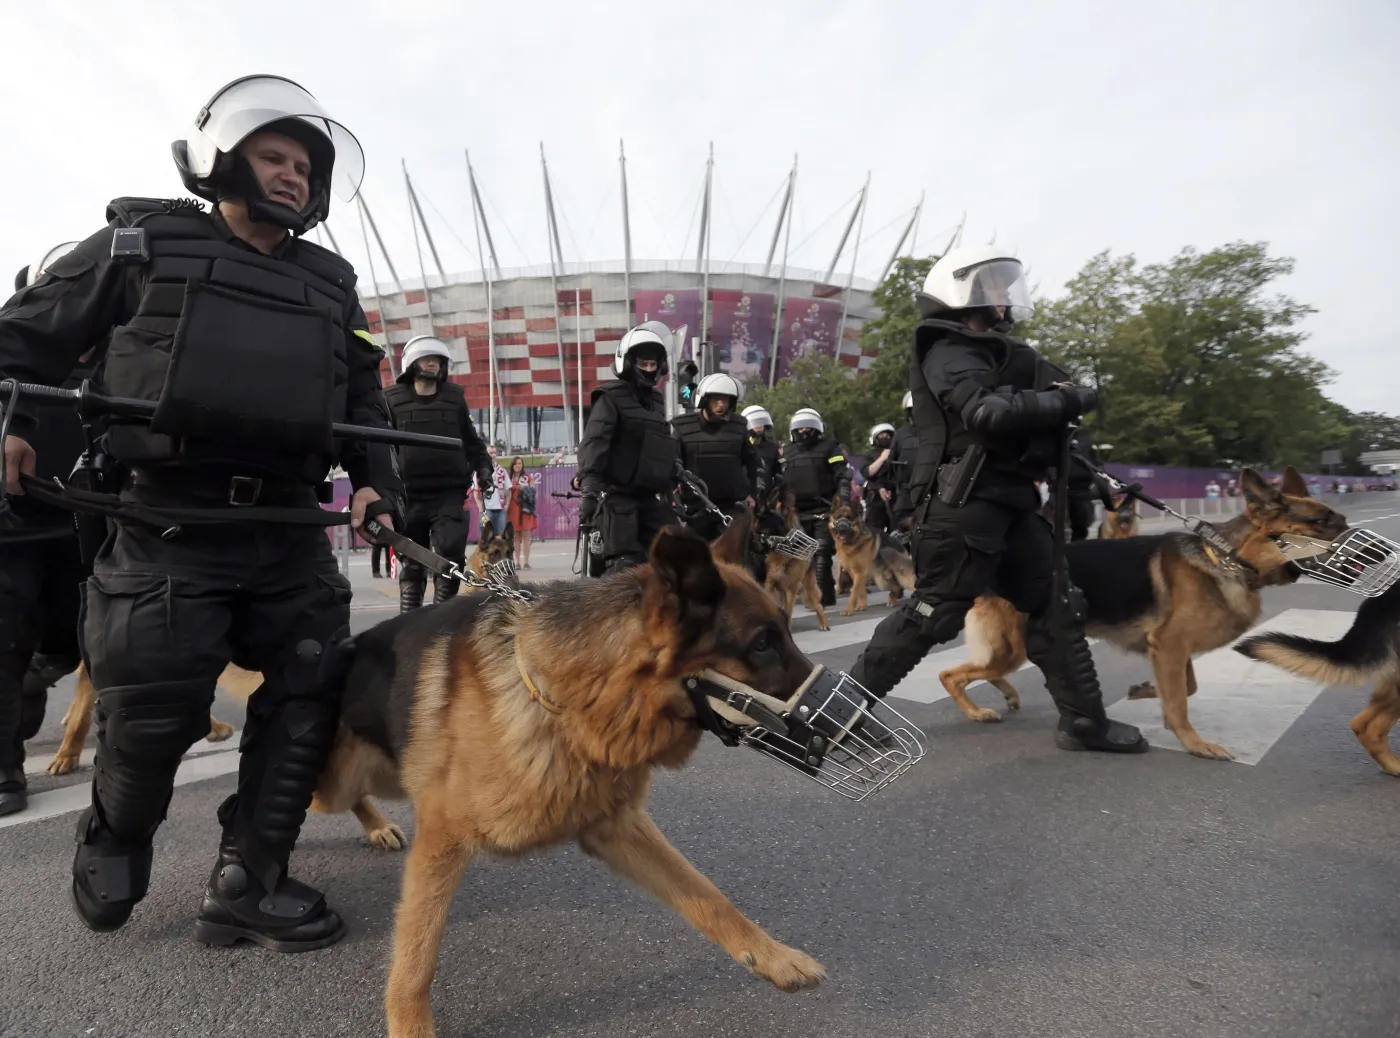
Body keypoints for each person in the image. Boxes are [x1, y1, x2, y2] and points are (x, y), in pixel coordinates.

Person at [0, 74, 406, 947]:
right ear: (220, 155)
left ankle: (249, 876)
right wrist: (12, 423)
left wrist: (376, 480)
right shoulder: (138, 241)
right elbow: (18, 336)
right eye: (274, 156)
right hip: (165, 523)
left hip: (291, 532)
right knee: (153, 714)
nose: (293, 175)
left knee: (309, 703)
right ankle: (115, 833)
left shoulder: (333, 283)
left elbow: (364, 395)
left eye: (305, 165)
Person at [846, 245, 1145, 753]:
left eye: (1007, 284)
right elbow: (986, 413)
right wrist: (1065, 398)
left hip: (1010, 503)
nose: (1006, 294)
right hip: (961, 505)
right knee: (934, 612)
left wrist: (1069, 400)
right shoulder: (947, 349)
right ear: (963, 291)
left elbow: (1057, 395)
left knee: (1056, 604)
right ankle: (835, 716)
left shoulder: (1005, 353)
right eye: (994, 285)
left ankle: (1084, 723)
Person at [0, 245, 90, 817]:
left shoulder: (116, 356)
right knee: (6, 641)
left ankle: (37, 676)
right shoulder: (12, 357)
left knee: (77, 643)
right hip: (14, 525)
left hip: (87, 525)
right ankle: (5, 768)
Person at [384, 335, 491, 608]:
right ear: (411, 362)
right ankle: (409, 623)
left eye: (437, 360)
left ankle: (442, 626)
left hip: (449, 495)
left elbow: (472, 442)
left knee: (448, 560)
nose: (432, 363)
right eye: (426, 358)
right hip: (407, 496)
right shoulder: (391, 400)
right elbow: (379, 447)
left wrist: (484, 469)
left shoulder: (455, 399)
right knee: (412, 565)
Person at [577, 322, 679, 573]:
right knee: (624, 567)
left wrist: (675, 469)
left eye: (652, 364)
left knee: (676, 558)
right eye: (642, 364)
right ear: (628, 363)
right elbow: (594, 444)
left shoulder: (656, 401)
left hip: (650, 499)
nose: (647, 369)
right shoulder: (610, 397)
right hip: (617, 498)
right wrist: (589, 490)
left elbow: (660, 443)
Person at [671, 372, 762, 541]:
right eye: (716, 399)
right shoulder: (683, 428)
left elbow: (751, 462)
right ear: (705, 400)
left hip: (731, 508)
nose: (721, 404)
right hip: (695, 510)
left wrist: (752, 493)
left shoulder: (739, 426)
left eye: (725, 400)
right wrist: (674, 500)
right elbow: (672, 466)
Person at [779, 408, 850, 607]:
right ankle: (807, 595)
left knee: (822, 553)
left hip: (823, 509)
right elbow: (779, 477)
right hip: (796, 512)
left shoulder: (830, 447)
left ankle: (823, 597)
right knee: (800, 556)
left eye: (809, 427)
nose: (805, 431)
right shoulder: (788, 451)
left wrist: (843, 501)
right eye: (801, 427)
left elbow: (842, 474)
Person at [860, 423, 898, 535]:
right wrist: (882, 458)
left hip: (895, 497)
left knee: (898, 534)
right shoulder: (869, 455)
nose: (886, 438)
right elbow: (867, 472)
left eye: (888, 436)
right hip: (875, 498)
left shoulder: (898, 453)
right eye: (882, 436)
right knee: (872, 534)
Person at [888, 390, 919, 530]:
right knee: (898, 533)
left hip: (936, 493)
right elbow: (890, 463)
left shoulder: (941, 432)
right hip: (906, 493)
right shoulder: (901, 435)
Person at [505, 456, 537, 568]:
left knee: (526, 535)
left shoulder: (528, 478)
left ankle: (527, 562)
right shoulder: (508, 478)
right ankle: (517, 562)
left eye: (519, 463)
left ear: (522, 465)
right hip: (513, 508)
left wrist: (524, 487)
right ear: (512, 465)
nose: (517, 465)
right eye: (515, 463)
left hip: (525, 509)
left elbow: (533, 492)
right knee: (515, 536)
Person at [741, 405, 782, 492]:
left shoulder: (773, 447)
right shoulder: (740, 447)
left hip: (767, 498)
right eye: (754, 421)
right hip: (745, 496)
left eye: (761, 421)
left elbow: (779, 473)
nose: (758, 425)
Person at [474, 445, 509, 536]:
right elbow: (475, 491)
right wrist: (479, 506)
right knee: (486, 537)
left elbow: (508, 489)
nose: (493, 455)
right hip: (486, 509)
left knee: (501, 537)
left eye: (494, 453)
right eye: (490, 453)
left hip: (500, 509)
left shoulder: (501, 470)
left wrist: (507, 504)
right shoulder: (480, 471)